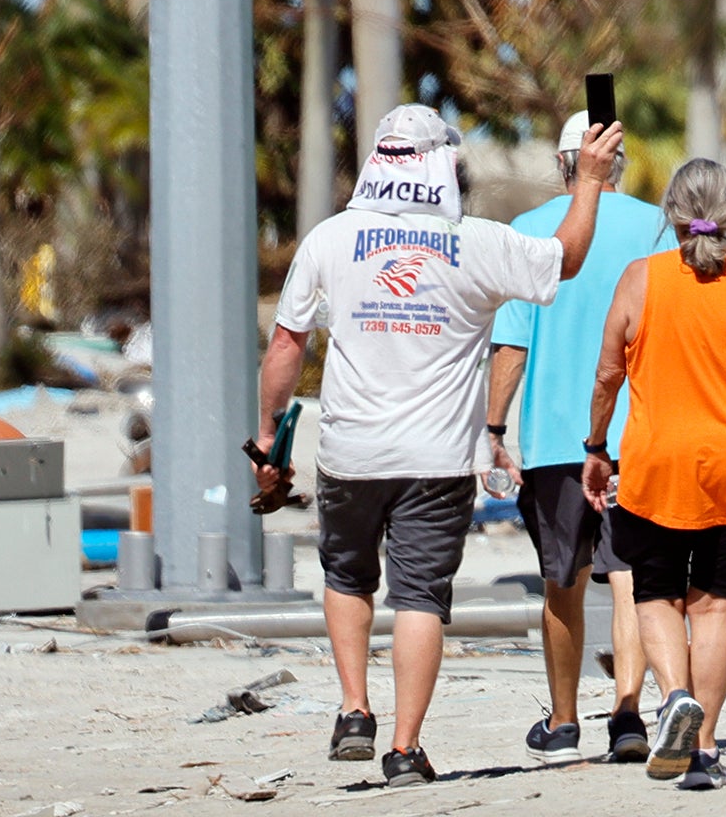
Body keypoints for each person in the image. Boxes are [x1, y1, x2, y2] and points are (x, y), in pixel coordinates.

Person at [260, 102, 624, 784]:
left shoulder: (330, 239)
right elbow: (566, 260)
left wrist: (265, 434)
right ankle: (403, 747)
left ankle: (354, 708)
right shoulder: (479, 241)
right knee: (420, 597)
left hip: (350, 451)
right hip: (438, 459)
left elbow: (286, 342)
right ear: (443, 165)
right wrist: (591, 179)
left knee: (347, 576)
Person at [582, 159, 726, 791]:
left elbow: (608, 376)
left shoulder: (641, 279)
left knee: (655, 593)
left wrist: (596, 446)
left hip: (660, 464)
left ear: (672, 213)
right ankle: (704, 747)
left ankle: (676, 697)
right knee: (716, 605)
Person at [487, 111, 669, 765]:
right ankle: (628, 714)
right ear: (612, 161)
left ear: (566, 164)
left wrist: (494, 428)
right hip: (640, 433)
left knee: (561, 580)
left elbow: (510, 343)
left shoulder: (529, 233)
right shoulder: (657, 225)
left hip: (557, 439)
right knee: (633, 578)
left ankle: (564, 721)